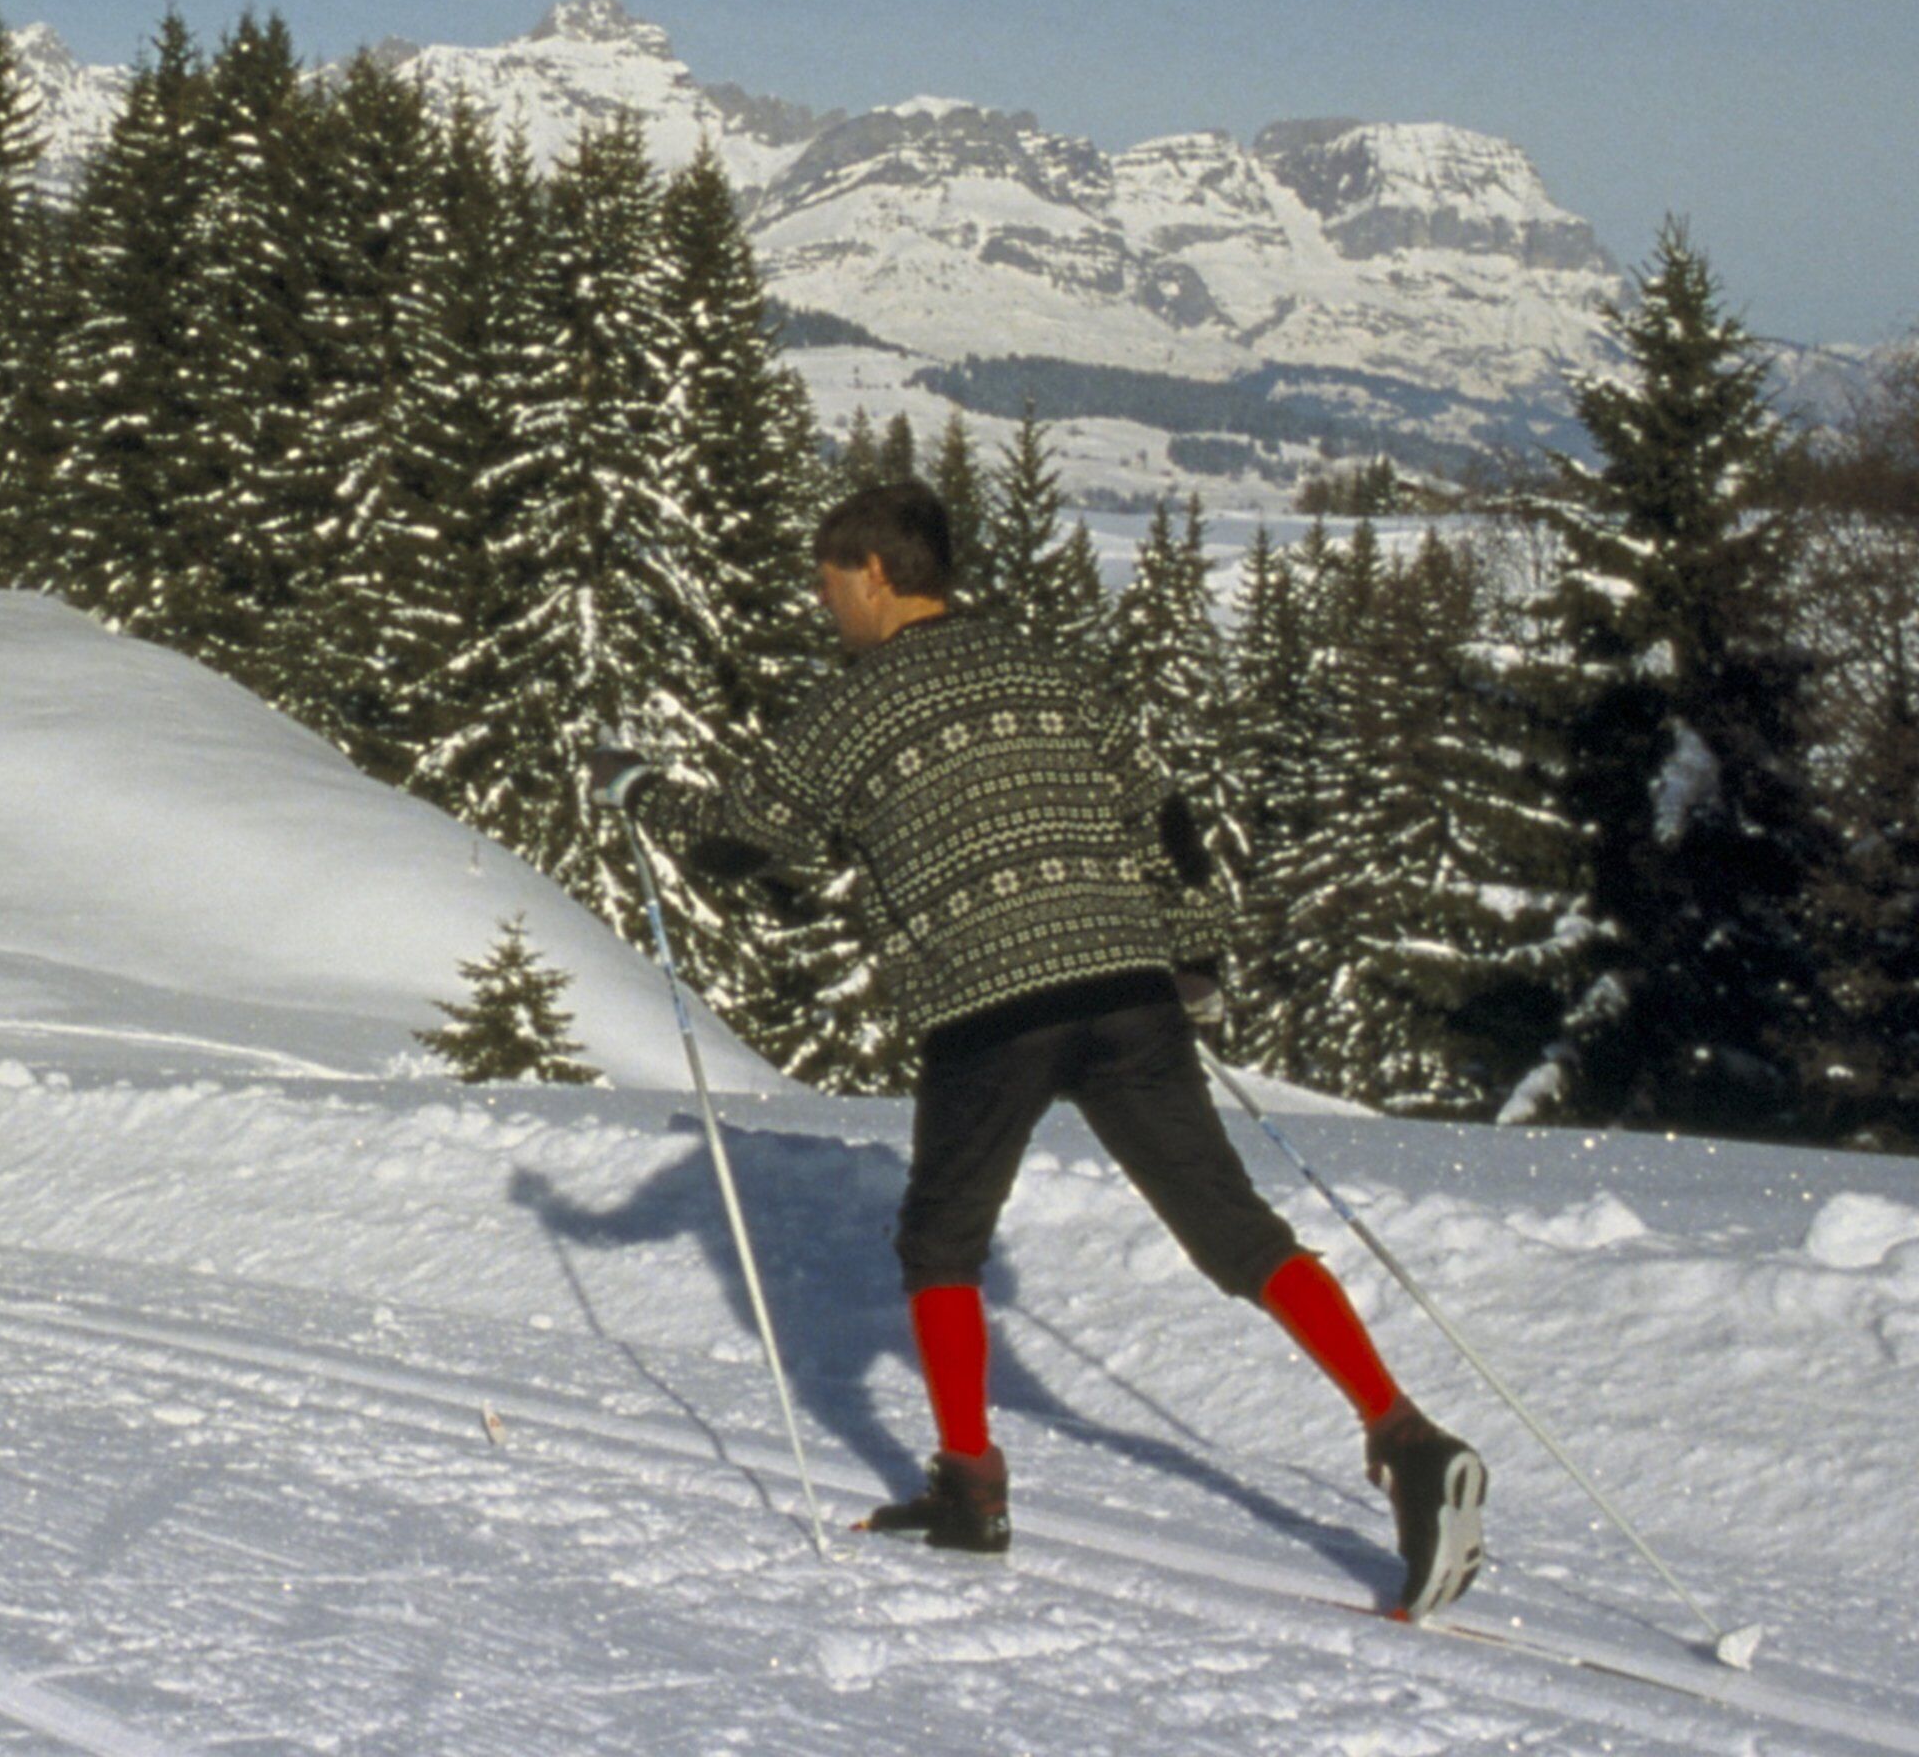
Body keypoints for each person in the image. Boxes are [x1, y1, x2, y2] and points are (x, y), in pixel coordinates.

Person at [603, 479, 1488, 1619]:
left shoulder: (853, 705)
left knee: (940, 1242)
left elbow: (744, 840)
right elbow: (1162, 814)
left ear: (874, 572)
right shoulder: (1047, 666)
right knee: (1235, 1230)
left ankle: (971, 1493)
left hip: (992, 1005)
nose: (824, 604)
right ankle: (1405, 1437)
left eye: (827, 582)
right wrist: (1193, 954)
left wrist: (640, 793)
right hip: (1127, 989)